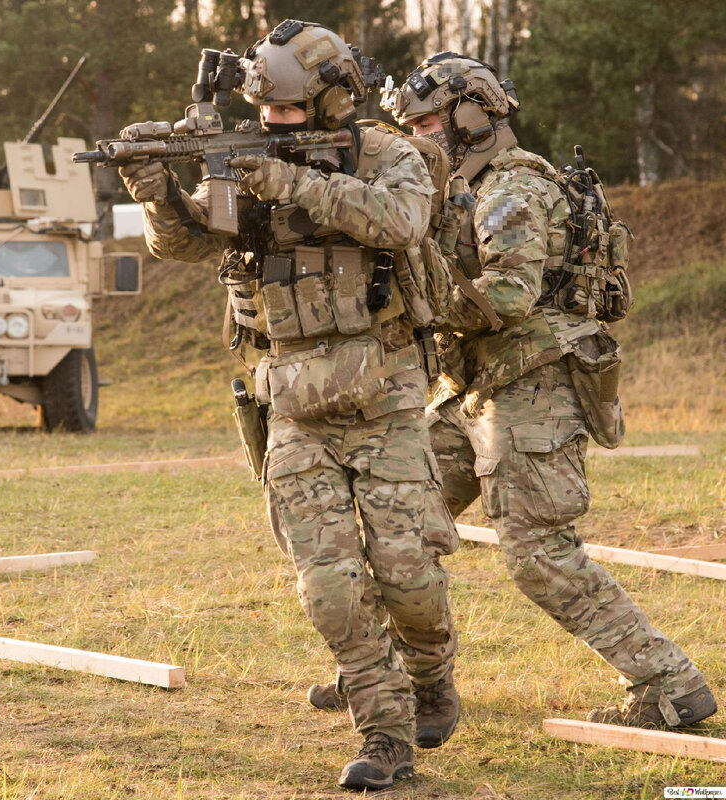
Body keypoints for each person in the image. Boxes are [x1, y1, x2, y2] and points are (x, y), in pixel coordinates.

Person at [122, 21, 460, 790]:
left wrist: (295, 182)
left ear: (335, 101)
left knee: (408, 573)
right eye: (265, 115)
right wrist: (155, 192)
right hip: (295, 403)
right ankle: (385, 737)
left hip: (387, 398)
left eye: (290, 115)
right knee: (330, 587)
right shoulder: (251, 163)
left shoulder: (389, 155)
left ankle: (433, 671)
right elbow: (192, 241)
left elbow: (403, 222)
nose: (273, 127)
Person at [382, 53, 717, 729]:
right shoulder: (454, 189)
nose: (415, 138)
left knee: (537, 553)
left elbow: (507, 295)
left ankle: (668, 684)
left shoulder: (512, 188)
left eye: (424, 122)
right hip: (473, 383)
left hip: (534, 382)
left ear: (472, 117)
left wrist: (416, 293)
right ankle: (380, 674)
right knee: (395, 515)